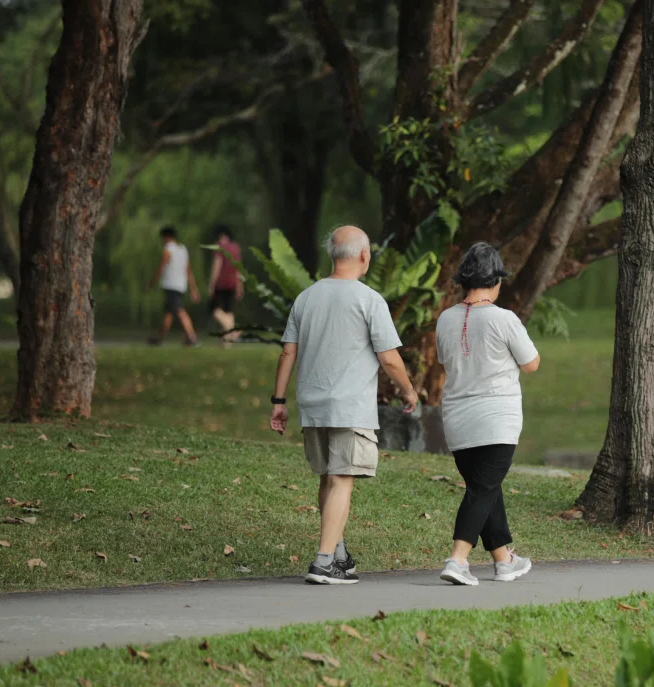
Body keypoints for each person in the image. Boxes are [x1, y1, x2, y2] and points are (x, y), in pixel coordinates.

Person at [270, 225, 420, 585]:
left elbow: (288, 351)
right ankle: (324, 562)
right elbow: (391, 360)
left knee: (328, 478)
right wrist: (409, 392)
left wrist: (278, 400)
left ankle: (338, 554)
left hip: (313, 404)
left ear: (332, 256)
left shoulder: (306, 298)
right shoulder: (369, 300)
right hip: (349, 407)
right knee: (341, 479)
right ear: (364, 256)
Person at [436, 242, 541, 586]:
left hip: (457, 421)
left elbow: (448, 362)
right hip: (496, 420)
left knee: (485, 487)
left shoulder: (445, 319)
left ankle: (504, 561)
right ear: (495, 281)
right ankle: (457, 560)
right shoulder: (503, 318)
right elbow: (531, 363)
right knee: (482, 490)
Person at [147, 226, 200, 346]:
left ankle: (192, 337)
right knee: (169, 313)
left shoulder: (168, 250)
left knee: (179, 311)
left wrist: (152, 282)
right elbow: (188, 270)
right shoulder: (183, 250)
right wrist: (193, 288)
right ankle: (159, 338)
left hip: (171, 285)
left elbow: (161, 268)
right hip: (181, 285)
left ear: (166, 237)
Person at [207, 224, 243, 345]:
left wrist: (211, 285)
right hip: (233, 283)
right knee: (228, 310)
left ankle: (233, 331)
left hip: (221, 283)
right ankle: (228, 342)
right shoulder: (236, 247)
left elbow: (216, 267)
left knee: (214, 309)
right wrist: (240, 286)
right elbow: (238, 268)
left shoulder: (219, 247)